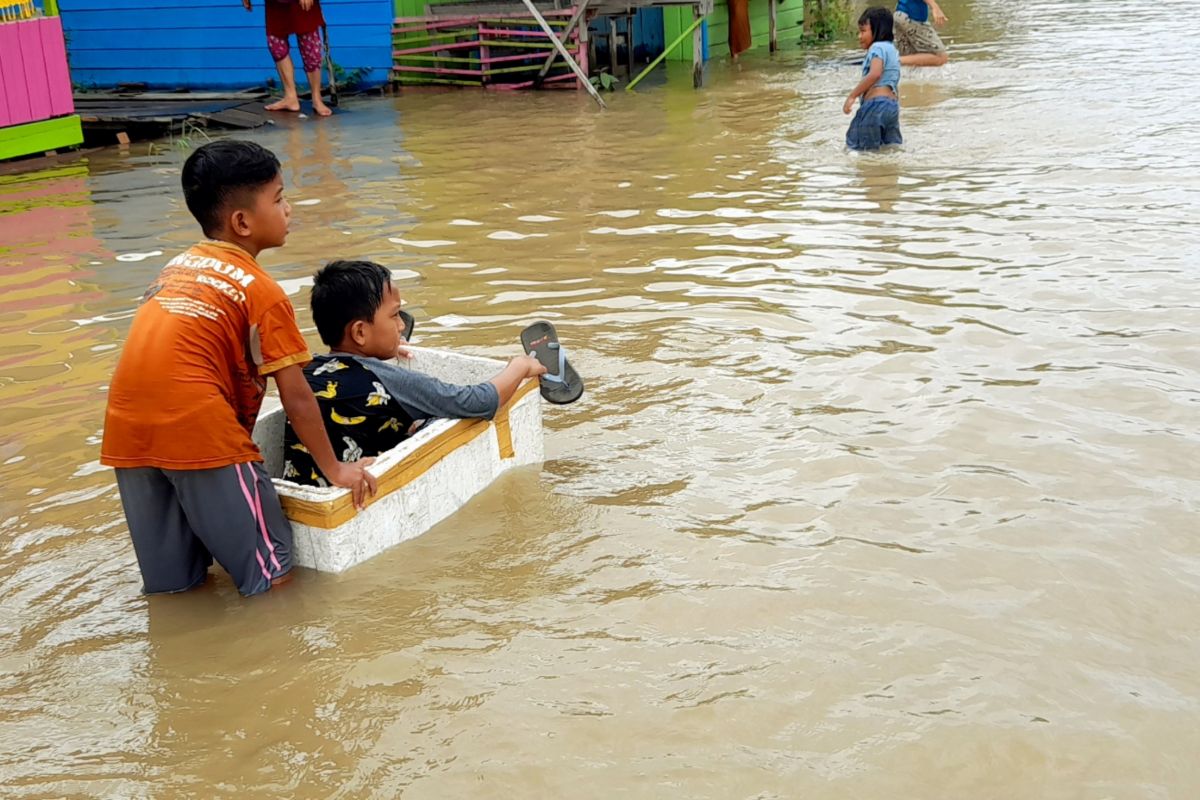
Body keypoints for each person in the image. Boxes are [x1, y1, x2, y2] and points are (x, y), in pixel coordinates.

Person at [100, 140, 376, 597]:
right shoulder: (262, 291)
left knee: (175, 590)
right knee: (274, 579)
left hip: (127, 434)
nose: (289, 209)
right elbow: (297, 394)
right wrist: (335, 469)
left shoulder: (175, 269)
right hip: (197, 429)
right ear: (242, 222)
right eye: (280, 198)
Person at [280, 260, 548, 487]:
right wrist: (519, 366)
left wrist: (382, 352)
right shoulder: (393, 380)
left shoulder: (309, 370)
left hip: (306, 484)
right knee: (433, 416)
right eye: (395, 316)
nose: (400, 325)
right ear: (360, 332)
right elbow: (478, 400)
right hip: (358, 490)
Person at [243, 0, 332, 116]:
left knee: (310, 48)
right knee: (276, 45)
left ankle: (317, 99)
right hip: (276, 4)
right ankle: (290, 97)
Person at [843, 7, 902, 151]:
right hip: (892, 107)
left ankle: (869, 173)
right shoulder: (892, 50)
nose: (859, 36)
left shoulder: (876, 47)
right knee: (890, 146)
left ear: (878, 30)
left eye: (863, 31)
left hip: (874, 106)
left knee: (857, 145)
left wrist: (852, 95)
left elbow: (875, 73)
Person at [894, 0, 948, 66]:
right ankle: (891, 61)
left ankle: (887, 65)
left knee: (910, 59)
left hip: (899, 15)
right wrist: (935, 7)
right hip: (912, 17)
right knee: (941, 57)